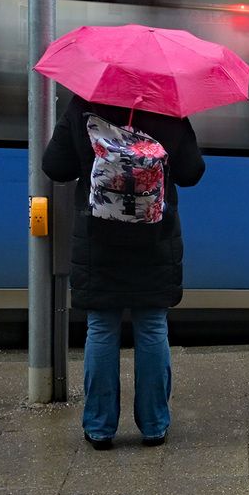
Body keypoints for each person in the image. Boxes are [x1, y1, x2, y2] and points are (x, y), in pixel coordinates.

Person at [43, 95, 205, 450]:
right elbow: (192, 172)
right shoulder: (170, 107)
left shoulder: (83, 103)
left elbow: (55, 166)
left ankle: (99, 429)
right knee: (151, 327)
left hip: (98, 236)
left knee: (101, 327)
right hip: (155, 237)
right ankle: (154, 426)